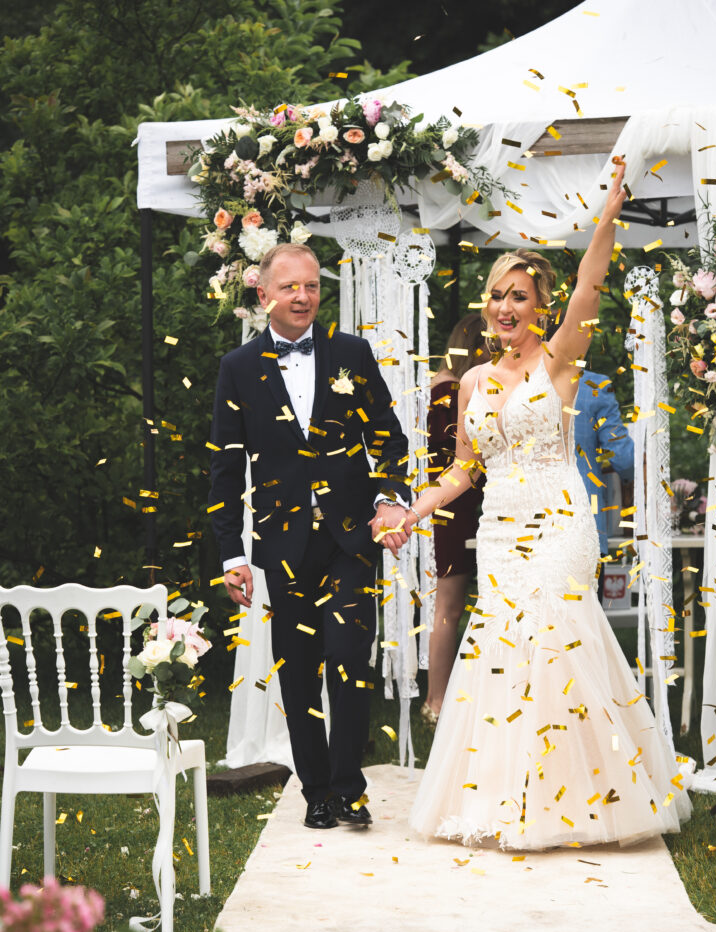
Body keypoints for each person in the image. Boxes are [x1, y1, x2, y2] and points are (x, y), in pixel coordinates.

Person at [392, 161, 691, 850]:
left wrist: (607, 216)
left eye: (520, 297)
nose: (506, 308)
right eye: (498, 295)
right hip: (499, 530)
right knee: (504, 654)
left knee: (557, 640)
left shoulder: (560, 361)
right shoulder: (471, 382)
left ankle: (585, 801)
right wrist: (412, 511)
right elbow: (462, 471)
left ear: (541, 307)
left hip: (558, 523)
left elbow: (590, 282)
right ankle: (511, 796)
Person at [208, 243, 411, 831]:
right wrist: (231, 553)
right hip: (284, 544)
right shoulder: (238, 367)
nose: (303, 297)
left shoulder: (351, 354)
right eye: (290, 287)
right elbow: (226, 467)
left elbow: (388, 438)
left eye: (313, 286)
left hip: (351, 537)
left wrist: (387, 499)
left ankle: (349, 788)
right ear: (263, 293)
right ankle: (316, 790)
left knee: (348, 658)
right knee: (298, 672)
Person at [421, 314, 489, 726]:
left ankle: (440, 698)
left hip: (448, 506)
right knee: (449, 604)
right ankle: (436, 699)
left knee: (450, 604)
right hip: (455, 508)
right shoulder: (450, 391)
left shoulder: (436, 386)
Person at [574, 372, 635, 598]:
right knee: (585, 615)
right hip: (582, 520)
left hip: (522, 526)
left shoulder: (512, 380)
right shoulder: (594, 386)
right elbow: (623, 458)